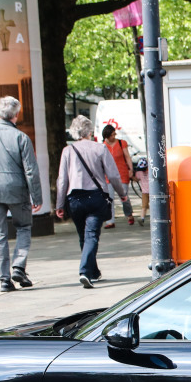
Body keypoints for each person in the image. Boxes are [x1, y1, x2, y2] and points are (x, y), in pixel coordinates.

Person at [0, 96, 43, 293]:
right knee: (23, 227)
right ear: (17, 115)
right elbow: (31, 170)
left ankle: (4, 279)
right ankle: (19, 267)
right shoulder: (21, 138)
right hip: (17, 189)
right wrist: (36, 197)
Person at [57, 115, 131, 288]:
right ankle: (85, 271)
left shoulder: (67, 151)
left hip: (74, 198)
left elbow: (62, 180)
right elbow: (112, 174)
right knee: (91, 235)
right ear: (90, 132)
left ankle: (93, 271)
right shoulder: (100, 148)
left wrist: (60, 204)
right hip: (96, 196)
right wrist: (122, 194)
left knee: (83, 235)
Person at [102, 123, 142, 222]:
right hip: (108, 175)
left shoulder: (121, 143)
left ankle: (128, 214)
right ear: (106, 136)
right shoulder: (103, 146)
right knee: (109, 198)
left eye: (114, 134)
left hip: (122, 173)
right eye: (111, 135)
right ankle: (110, 220)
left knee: (124, 196)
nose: (113, 137)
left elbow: (127, 157)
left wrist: (131, 169)